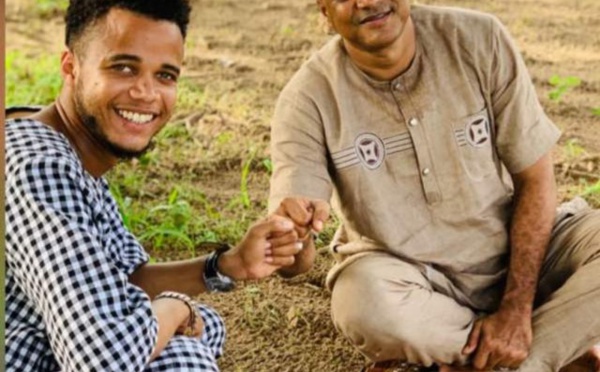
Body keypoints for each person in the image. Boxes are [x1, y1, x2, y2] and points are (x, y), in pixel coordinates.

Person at [268, 1, 600, 371]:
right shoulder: (306, 98)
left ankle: (519, 356)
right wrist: (291, 237)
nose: (367, 2)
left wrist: (516, 309)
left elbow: (536, 179)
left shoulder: (478, 38)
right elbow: (295, 261)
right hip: (412, 282)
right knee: (362, 303)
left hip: (518, 253)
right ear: (324, 10)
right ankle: (546, 351)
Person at [4, 1, 304, 371]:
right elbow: (104, 360)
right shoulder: (40, 167)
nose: (146, 93)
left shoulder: (65, 146)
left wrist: (229, 264)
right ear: (71, 67)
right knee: (181, 358)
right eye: (124, 68)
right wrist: (176, 309)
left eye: (165, 76)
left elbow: (119, 279)